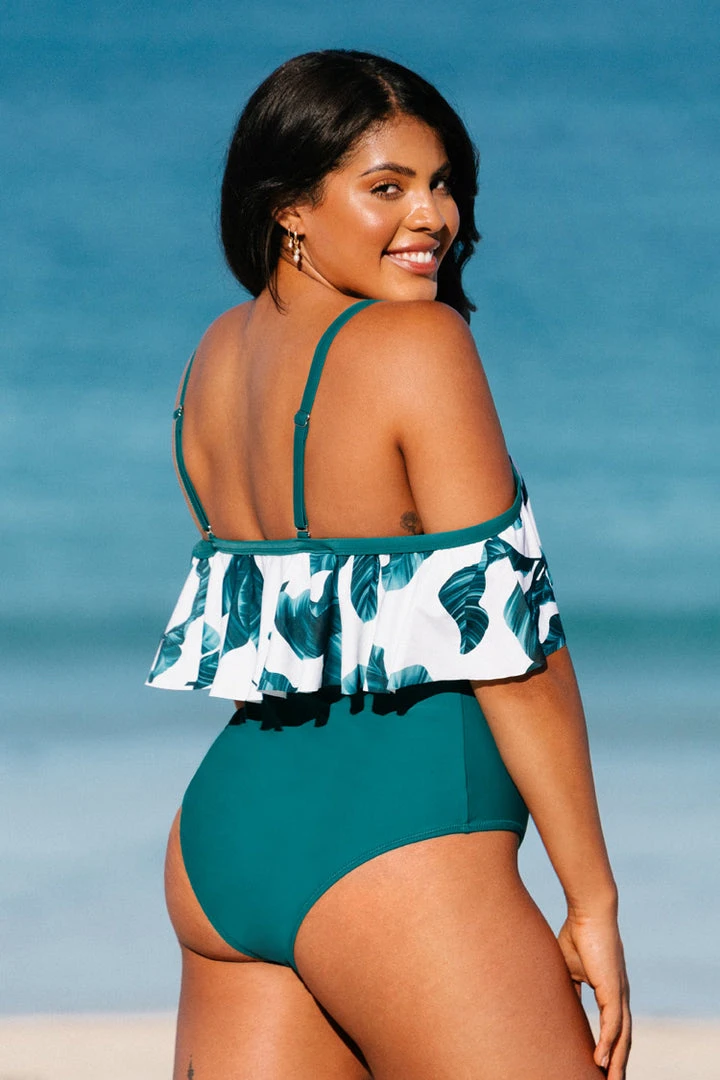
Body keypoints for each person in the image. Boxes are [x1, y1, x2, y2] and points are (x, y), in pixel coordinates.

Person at [147, 49, 631, 1080]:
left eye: (442, 184)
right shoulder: (421, 344)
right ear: (290, 208)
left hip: (226, 842)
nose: (432, 216)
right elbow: (512, 654)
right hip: (402, 845)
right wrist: (592, 897)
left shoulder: (213, 359)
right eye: (387, 187)